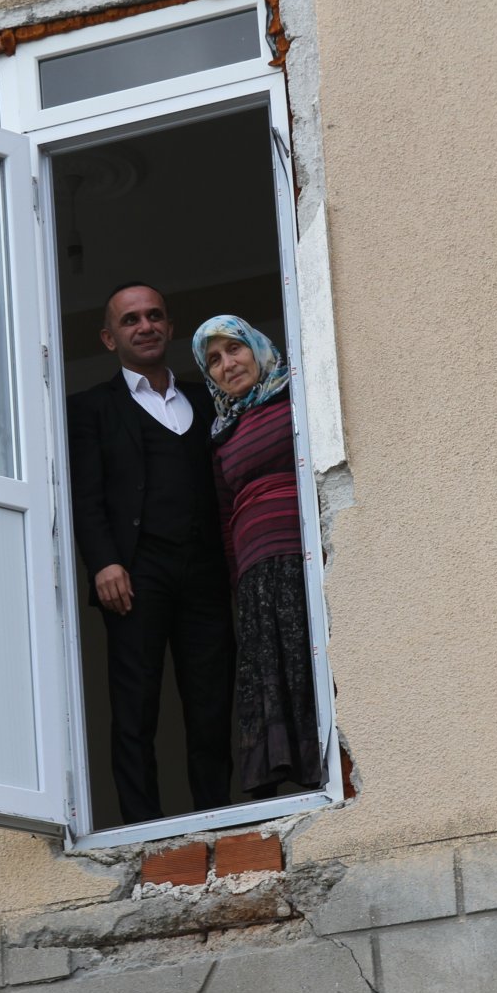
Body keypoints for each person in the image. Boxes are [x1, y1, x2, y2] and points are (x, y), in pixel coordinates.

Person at [68, 283, 235, 826]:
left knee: (212, 702)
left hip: (207, 572)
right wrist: (103, 562)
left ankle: (218, 814)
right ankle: (143, 825)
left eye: (155, 316)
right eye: (131, 319)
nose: (145, 326)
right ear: (109, 337)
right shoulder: (92, 407)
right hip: (136, 574)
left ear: (169, 326)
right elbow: (85, 495)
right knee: (136, 707)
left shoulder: (206, 396)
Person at [193, 315, 322, 799]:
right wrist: (238, 581)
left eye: (234, 349)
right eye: (214, 359)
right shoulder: (222, 431)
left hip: (302, 557)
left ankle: (331, 774)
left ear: (257, 348)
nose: (228, 365)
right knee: (270, 674)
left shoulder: (296, 398)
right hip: (255, 574)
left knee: (311, 667)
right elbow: (227, 519)